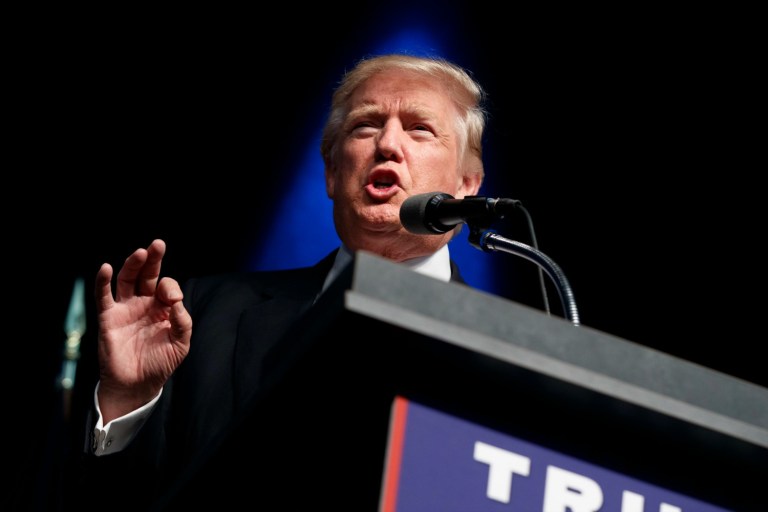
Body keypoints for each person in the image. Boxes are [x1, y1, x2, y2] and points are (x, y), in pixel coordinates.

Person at [64, 52, 487, 510]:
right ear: (331, 173)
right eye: (365, 126)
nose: (387, 143)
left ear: (467, 182)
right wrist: (129, 401)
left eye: (419, 128)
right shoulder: (205, 314)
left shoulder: (497, 353)